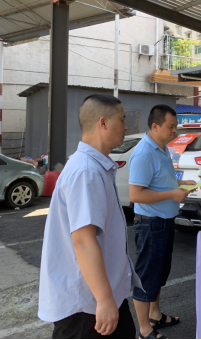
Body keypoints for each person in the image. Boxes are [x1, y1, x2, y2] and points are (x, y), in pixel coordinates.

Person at [38, 94, 141, 339]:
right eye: (122, 120)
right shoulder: (86, 171)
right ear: (103, 123)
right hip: (87, 307)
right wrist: (104, 300)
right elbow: (84, 240)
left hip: (102, 298)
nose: (126, 127)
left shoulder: (95, 167)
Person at [129, 105, 196, 340]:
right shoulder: (144, 153)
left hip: (164, 221)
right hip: (151, 223)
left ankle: (155, 315)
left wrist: (180, 184)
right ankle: (144, 329)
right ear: (155, 126)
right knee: (147, 276)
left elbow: (161, 181)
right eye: (171, 126)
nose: (175, 131)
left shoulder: (162, 147)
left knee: (159, 273)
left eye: (176, 126)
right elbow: (136, 194)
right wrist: (172, 194)